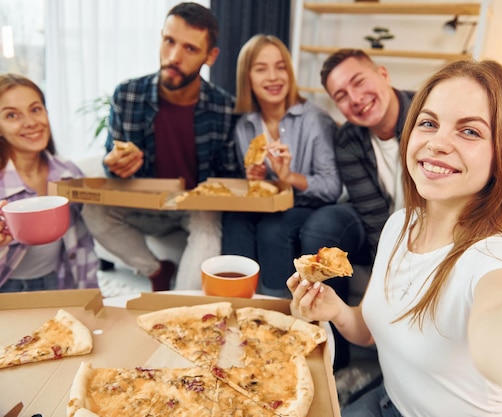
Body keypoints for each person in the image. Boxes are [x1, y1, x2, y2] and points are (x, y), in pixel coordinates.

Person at [288, 59, 502, 416]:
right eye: (429, 123)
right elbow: (371, 332)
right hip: (389, 401)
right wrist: (337, 311)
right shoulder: (398, 225)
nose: (437, 143)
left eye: (470, 132)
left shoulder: (500, 257)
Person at [82, 2, 242, 292]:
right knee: (93, 212)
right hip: (143, 203)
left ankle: (179, 309)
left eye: (190, 49)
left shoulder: (225, 108)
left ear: (210, 56)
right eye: (169, 41)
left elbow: (228, 177)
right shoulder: (128, 95)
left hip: (193, 207)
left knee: (208, 226)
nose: (173, 57)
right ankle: (156, 270)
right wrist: (114, 164)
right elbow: (113, 165)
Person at [298, 48, 415, 370]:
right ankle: (334, 355)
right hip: (380, 224)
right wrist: (384, 272)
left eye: (359, 82)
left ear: (383, 73)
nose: (356, 98)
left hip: (426, 222)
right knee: (320, 227)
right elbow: (376, 216)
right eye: (341, 96)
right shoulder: (349, 139)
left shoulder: (427, 118)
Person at [221, 34, 341, 298]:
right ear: (247, 78)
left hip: (308, 207)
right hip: (270, 205)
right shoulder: (245, 126)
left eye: (280, 67)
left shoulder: (315, 120)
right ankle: (236, 301)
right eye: (261, 69)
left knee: (273, 228)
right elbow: (260, 187)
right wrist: (257, 177)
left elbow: (332, 187)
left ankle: (276, 307)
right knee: (234, 221)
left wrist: (289, 177)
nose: (273, 77)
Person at [0, 73, 99, 293]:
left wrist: (90, 296)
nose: (31, 122)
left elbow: (83, 243)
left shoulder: (68, 173)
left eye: (36, 109)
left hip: (58, 281)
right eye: (12, 115)